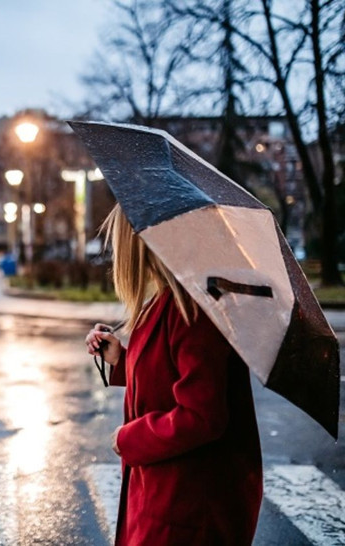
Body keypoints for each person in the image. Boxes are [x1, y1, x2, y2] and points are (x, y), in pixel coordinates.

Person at [85, 204, 262, 545]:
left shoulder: (191, 308)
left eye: (120, 242)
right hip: (167, 496)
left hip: (186, 509)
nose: (116, 254)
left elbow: (202, 415)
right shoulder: (169, 301)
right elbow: (170, 375)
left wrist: (128, 438)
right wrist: (120, 358)